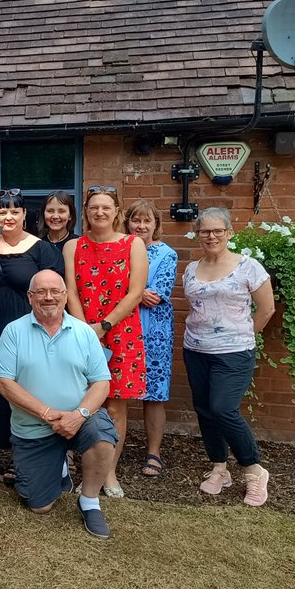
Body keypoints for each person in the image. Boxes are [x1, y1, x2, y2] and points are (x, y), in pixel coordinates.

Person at [0, 269, 117, 539]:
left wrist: (79, 415)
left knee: (102, 436)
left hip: (79, 419)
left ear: (65, 295)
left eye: (54, 291)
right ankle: (57, 466)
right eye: (40, 292)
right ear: (30, 297)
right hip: (34, 427)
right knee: (40, 506)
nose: (48, 297)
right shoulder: (13, 331)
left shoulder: (84, 333)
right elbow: (2, 383)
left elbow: (101, 383)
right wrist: (46, 413)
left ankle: (89, 502)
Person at [183, 208, 275, 507]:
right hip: (196, 350)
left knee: (223, 409)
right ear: (198, 234)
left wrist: (242, 337)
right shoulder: (191, 269)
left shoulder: (249, 267)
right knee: (205, 411)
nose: (211, 236)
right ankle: (220, 469)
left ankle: (253, 470)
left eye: (217, 231)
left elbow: (267, 309)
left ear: (229, 233)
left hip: (234, 353)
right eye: (205, 231)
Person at [0, 189, 64, 484]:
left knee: (29, 387)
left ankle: (41, 457)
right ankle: (10, 453)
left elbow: (55, 296)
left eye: (14, 211)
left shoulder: (41, 250)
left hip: (29, 329)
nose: (8, 217)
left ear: (25, 214)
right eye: (2, 211)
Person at [63, 187, 146, 498]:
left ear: (116, 212)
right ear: (86, 212)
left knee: (114, 406)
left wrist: (104, 326)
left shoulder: (133, 244)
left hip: (121, 333)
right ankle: (84, 470)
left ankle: (108, 472)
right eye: (94, 207)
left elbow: (135, 293)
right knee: (81, 401)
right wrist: (87, 331)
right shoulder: (73, 246)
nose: (100, 212)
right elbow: (70, 291)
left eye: (106, 207)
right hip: (82, 331)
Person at [125, 199, 177, 477]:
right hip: (123, 329)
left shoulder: (167, 254)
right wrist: (136, 292)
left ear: (156, 225)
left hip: (155, 334)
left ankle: (153, 454)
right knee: (115, 392)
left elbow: (155, 296)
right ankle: (110, 451)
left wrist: (131, 291)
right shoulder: (120, 248)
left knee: (154, 394)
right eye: (136, 220)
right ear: (127, 223)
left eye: (147, 221)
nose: (141, 226)